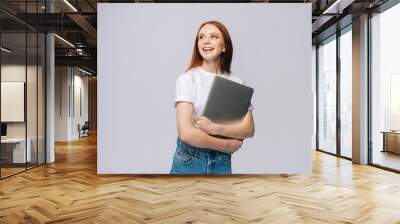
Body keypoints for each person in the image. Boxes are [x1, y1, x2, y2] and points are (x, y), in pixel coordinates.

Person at [170, 20, 255, 174]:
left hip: (222, 162)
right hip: (189, 159)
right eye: (201, 37)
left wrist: (214, 128)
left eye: (213, 36)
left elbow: (248, 129)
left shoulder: (237, 82)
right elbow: (186, 133)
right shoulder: (187, 79)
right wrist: (226, 145)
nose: (206, 40)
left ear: (224, 46)